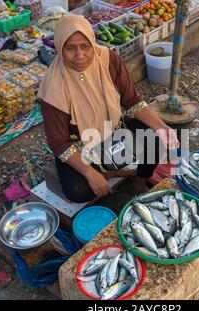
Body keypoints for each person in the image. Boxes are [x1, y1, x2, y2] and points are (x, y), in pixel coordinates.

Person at [38, 15, 179, 203]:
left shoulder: (108, 59)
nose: (80, 56)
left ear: (92, 42)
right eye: (70, 48)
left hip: (114, 128)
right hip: (80, 144)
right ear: (59, 47)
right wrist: (89, 172)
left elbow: (132, 101)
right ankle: (110, 172)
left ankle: (138, 182)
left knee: (157, 139)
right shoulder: (53, 87)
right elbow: (59, 143)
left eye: (85, 46)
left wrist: (163, 127)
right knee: (78, 191)